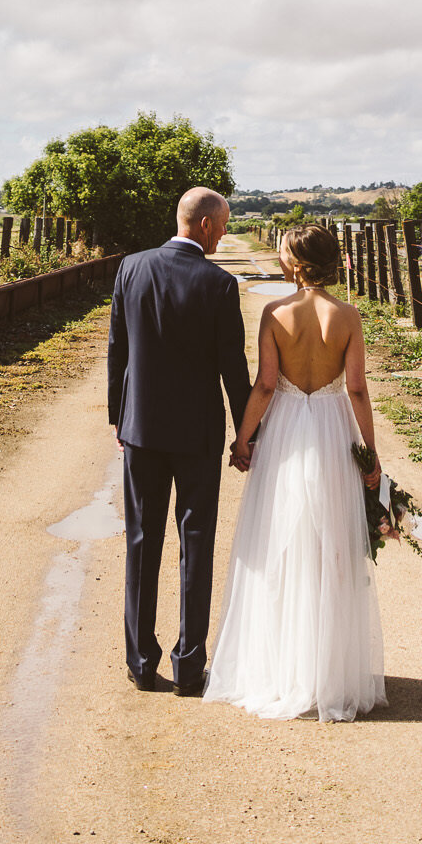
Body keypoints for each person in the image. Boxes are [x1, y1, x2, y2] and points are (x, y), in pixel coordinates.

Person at [205, 223, 386, 722]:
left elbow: (264, 385)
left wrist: (243, 439)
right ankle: (327, 669)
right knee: (330, 545)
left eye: (285, 251)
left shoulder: (275, 312)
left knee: (278, 541)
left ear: (296, 263)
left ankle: (280, 666)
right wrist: (370, 453)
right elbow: (356, 389)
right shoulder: (347, 315)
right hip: (330, 429)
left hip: (286, 428)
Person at [107, 185, 251, 694]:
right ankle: (190, 666)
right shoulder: (219, 284)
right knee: (197, 543)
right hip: (197, 437)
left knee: (141, 542)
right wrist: (246, 433)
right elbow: (233, 368)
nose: (225, 233)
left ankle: (141, 663)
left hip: (141, 431)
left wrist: (118, 421)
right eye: (226, 224)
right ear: (207, 225)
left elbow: (117, 350)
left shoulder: (131, 268)